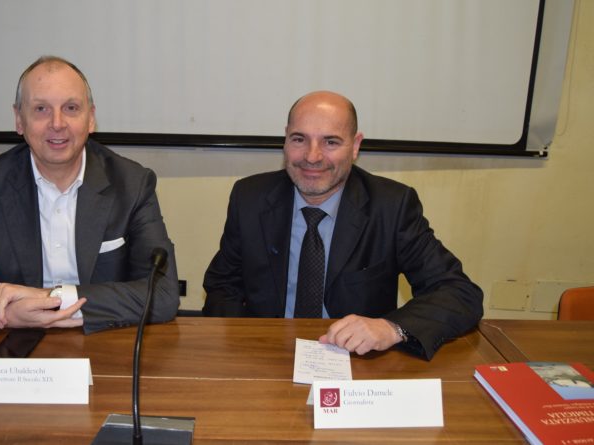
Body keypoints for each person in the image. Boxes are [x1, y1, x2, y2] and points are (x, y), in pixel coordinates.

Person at [0, 56, 179, 338]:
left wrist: (49, 298)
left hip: (104, 342)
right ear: (19, 120)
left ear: (91, 118)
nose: (57, 123)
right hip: (15, 342)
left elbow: (163, 295)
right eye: (41, 109)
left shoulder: (132, 183)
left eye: (71, 108)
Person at [202, 91, 483, 360]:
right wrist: (242, 343)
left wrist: (391, 328)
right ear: (285, 139)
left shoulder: (391, 206)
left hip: (358, 360)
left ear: (356, 145)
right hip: (265, 354)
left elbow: (459, 292)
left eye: (330, 142)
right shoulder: (249, 197)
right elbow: (223, 284)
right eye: (299, 139)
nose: (312, 156)